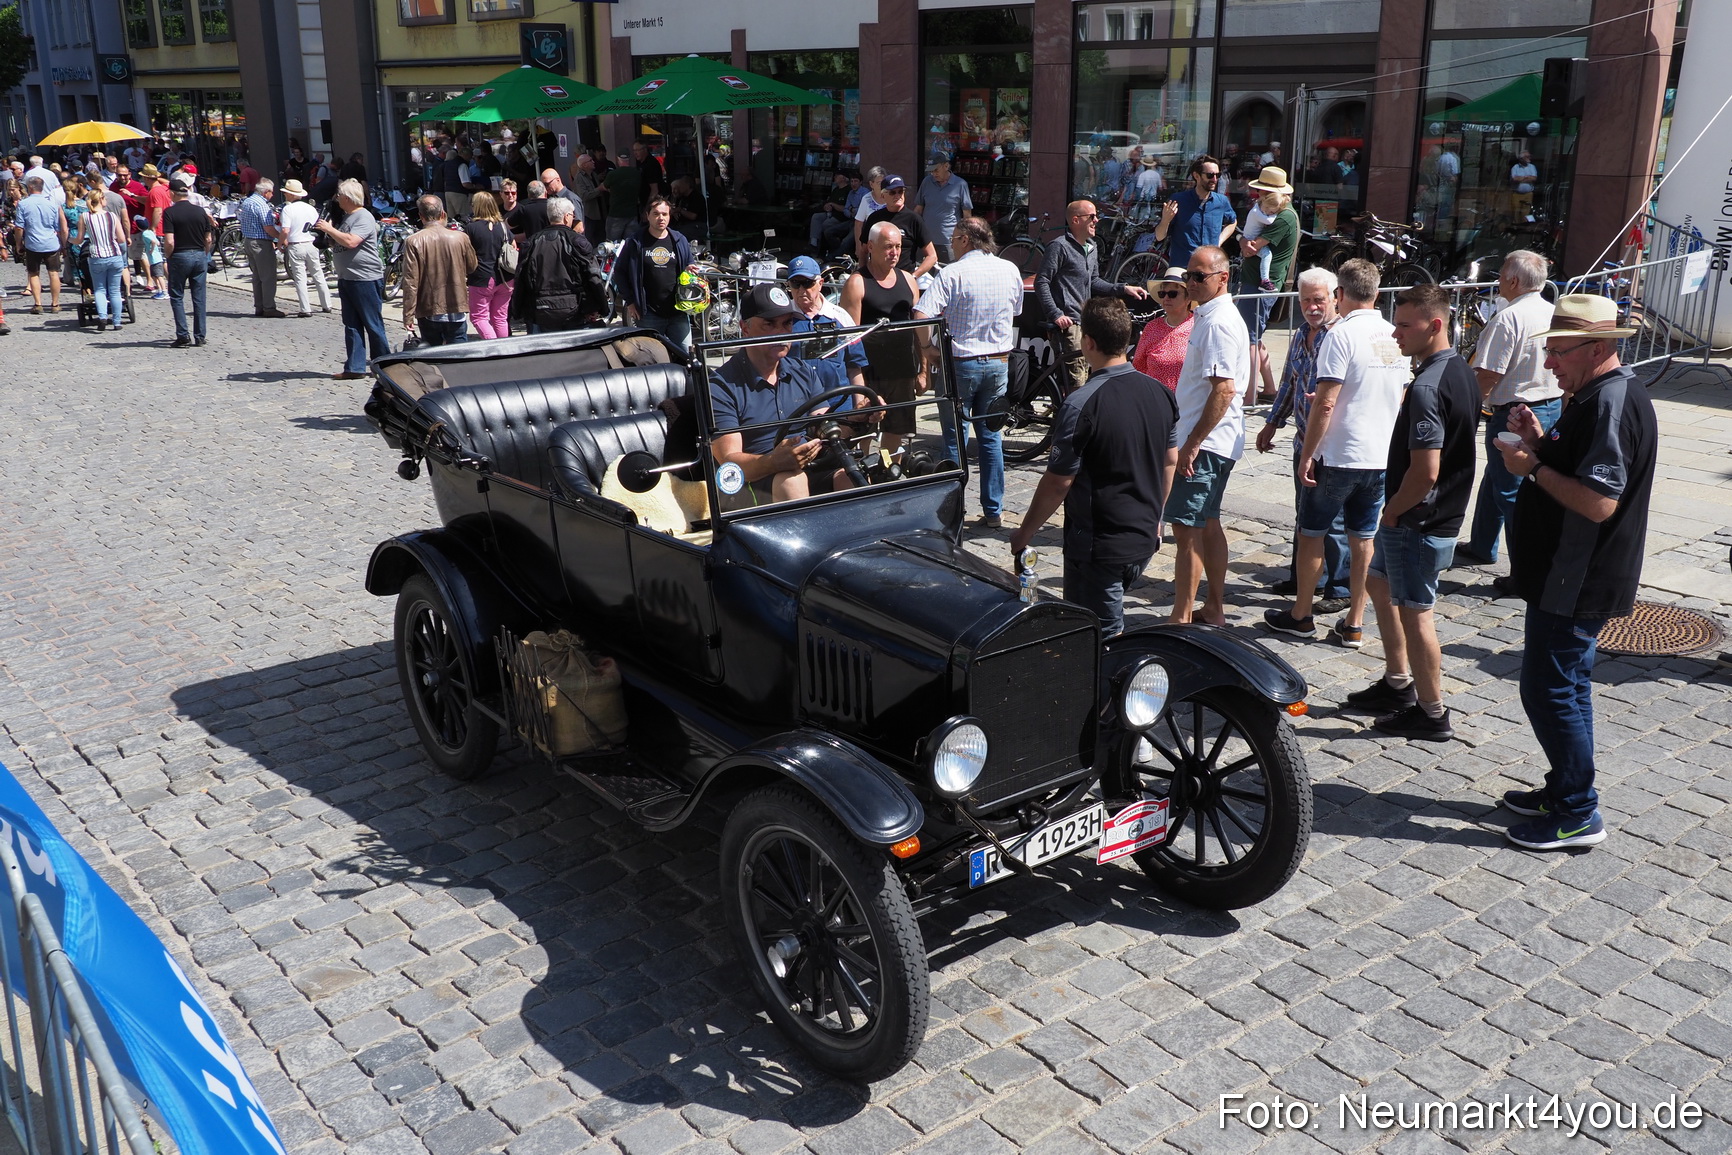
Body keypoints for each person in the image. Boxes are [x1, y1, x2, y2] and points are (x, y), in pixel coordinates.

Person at [1497, 295, 1656, 851]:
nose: (1549, 364)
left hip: (1578, 574)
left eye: (1559, 352)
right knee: (1565, 686)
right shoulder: (1591, 394)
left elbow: (1598, 503)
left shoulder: (1609, 401)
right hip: (1568, 571)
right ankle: (1566, 789)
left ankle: (1578, 812)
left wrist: (1532, 466)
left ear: (1596, 348)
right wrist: (1542, 444)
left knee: (1549, 691)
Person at [1344, 284, 1479, 741]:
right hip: (1425, 516)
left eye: (1404, 324)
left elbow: (1426, 471)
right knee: (1378, 583)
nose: (1395, 332)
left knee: (1415, 611)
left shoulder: (1427, 386)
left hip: (1418, 519)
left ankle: (1432, 711)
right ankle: (1399, 683)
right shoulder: (1458, 370)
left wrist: (1392, 511)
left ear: (1435, 325)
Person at [1010, 297, 1178, 638]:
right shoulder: (1161, 393)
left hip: (1099, 548)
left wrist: (1024, 534)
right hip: (1143, 538)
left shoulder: (1081, 403)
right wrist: (1156, 519)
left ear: (1088, 342)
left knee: (1098, 638)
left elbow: (1058, 482)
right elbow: (1169, 461)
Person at [1263, 258, 1408, 646]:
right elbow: (1398, 394)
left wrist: (1308, 453)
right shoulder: (1393, 334)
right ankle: (1355, 622)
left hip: (1338, 455)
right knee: (1363, 538)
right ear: (1376, 293)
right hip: (1378, 457)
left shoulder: (1340, 335)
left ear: (1339, 295)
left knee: (1312, 533)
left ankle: (1301, 615)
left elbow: (1325, 403)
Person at [914, 216, 1024, 528]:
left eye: (953, 238)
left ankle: (954, 511)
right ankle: (994, 511)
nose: (950, 244)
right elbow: (1016, 310)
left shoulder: (954, 273)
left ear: (965, 240)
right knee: (991, 438)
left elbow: (921, 313)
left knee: (954, 438)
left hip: (961, 364)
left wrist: (927, 349)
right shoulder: (1010, 269)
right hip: (997, 362)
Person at [1457, 250, 1562, 573]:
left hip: (1516, 414)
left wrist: (1467, 412)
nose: (1498, 280)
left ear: (1514, 280)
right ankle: (1482, 544)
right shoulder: (1551, 311)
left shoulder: (1509, 317)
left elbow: (1488, 374)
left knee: (1510, 490)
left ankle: (1525, 571)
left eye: (1501, 274)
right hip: (1548, 405)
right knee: (1497, 480)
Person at [710, 284, 861, 508]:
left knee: (853, 474)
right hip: (748, 484)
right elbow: (728, 465)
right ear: (745, 329)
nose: (781, 333)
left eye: (787, 323)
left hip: (805, 467)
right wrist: (773, 462)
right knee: (792, 479)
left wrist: (859, 420)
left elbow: (823, 424)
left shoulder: (802, 371)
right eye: (769, 324)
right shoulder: (722, 385)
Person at [1256, 267, 1349, 612]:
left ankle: (1339, 587)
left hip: (1330, 447)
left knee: (1333, 519)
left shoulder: (1341, 336)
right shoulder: (1300, 334)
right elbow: (1288, 383)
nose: (1311, 306)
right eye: (1305, 300)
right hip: (1301, 442)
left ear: (1335, 297)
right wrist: (1271, 423)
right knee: (1304, 513)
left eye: (1318, 300)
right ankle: (1306, 578)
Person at [1166, 245, 1247, 625]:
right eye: (1188, 276)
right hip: (1214, 440)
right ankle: (1213, 608)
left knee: (1187, 529)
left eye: (1199, 277)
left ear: (1222, 277)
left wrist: (1192, 443)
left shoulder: (1216, 320)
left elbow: (1224, 389)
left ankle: (1181, 617)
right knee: (1207, 524)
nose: (1190, 283)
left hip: (1207, 443)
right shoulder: (1211, 316)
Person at [1034, 200, 1150, 390]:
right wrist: (1055, 314)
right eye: (1092, 217)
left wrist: (1123, 288)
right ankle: (1069, 417)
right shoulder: (1059, 246)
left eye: (1097, 216)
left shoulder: (1092, 247)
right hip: (1068, 324)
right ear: (1076, 220)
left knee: (1088, 376)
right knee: (1076, 382)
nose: (1097, 220)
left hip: (1086, 321)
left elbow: (1094, 281)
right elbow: (1042, 282)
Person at [840, 221, 923, 456]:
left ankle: (887, 474)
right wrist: (857, 384)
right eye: (888, 247)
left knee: (896, 431)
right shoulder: (857, 283)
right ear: (870, 247)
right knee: (862, 433)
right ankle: (862, 478)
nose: (894, 252)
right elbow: (849, 338)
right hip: (869, 375)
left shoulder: (908, 279)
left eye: (898, 246)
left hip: (902, 372)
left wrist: (923, 369)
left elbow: (919, 329)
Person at [316, 178, 389, 380]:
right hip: (348, 277)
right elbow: (339, 243)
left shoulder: (363, 217)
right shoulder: (347, 217)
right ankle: (355, 367)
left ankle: (383, 366)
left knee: (372, 324)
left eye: (339, 195)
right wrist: (327, 236)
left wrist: (329, 229)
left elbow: (351, 241)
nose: (337, 199)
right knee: (351, 324)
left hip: (364, 278)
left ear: (347, 197)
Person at [1237, 168, 1300, 403]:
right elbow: (1246, 242)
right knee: (1256, 335)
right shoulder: (1276, 212)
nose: (1257, 193)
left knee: (1249, 339)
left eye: (1260, 189)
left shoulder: (1283, 217)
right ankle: (1270, 389)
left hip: (1261, 285)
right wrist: (1245, 241)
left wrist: (1245, 242)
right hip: (1258, 282)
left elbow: (1251, 246)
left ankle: (1250, 394)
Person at [512, 196, 606, 334]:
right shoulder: (578, 241)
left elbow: (521, 279)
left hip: (541, 310)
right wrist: (601, 306)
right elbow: (593, 276)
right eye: (573, 216)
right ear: (567, 216)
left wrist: (518, 310)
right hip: (575, 310)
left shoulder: (531, 243)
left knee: (547, 354)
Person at [613, 197, 695, 347]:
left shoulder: (679, 239)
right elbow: (619, 272)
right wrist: (630, 302)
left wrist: (689, 269)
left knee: (686, 357)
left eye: (665, 214)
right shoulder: (635, 242)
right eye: (656, 214)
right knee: (652, 361)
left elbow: (689, 264)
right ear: (647, 215)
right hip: (648, 313)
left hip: (678, 312)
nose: (661, 218)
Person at [399, 195, 476, 348]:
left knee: (433, 357)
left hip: (429, 308)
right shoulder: (461, 238)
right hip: (456, 305)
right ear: (442, 213)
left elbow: (411, 281)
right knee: (460, 354)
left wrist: (408, 315)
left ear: (421, 216)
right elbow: (472, 266)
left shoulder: (414, 241)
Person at [160, 175, 216, 347]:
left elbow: (169, 241)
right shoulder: (200, 211)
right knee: (199, 297)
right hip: (199, 255)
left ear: (173, 194)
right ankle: (200, 336)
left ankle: (183, 334)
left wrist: (168, 256)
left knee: (177, 295)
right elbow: (208, 239)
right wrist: (204, 254)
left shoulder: (170, 212)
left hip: (180, 256)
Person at [1156, 155, 1237, 272]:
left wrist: (1219, 241)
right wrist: (1165, 220)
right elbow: (1159, 236)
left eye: (1217, 175)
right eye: (1210, 175)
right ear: (1196, 176)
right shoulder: (1178, 200)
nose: (1214, 179)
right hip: (1183, 269)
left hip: (1210, 270)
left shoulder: (1222, 201)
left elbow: (1233, 222)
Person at [1131, 266, 1193, 390]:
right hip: (1154, 401)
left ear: (1188, 298)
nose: (1166, 298)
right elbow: (1138, 366)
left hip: (1187, 404)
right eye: (1162, 294)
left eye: (1172, 294)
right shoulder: (1152, 327)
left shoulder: (1199, 327)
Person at [862, 176, 937, 277]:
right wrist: (863, 275)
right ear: (883, 195)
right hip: (876, 278)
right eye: (893, 192)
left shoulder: (914, 219)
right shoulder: (874, 218)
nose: (898, 195)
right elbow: (864, 251)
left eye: (901, 191)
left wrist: (913, 277)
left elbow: (932, 256)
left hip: (903, 278)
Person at [463, 190, 513, 340]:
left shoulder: (472, 228)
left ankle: (493, 348)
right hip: (506, 277)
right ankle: (505, 349)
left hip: (482, 278)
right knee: (500, 318)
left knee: (479, 318)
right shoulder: (503, 227)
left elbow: (466, 254)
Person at [13, 177, 67, 313]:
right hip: (51, 242)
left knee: (33, 273)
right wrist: (62, 244)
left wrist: (18, 244)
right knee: (54, 273)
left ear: (30, 188)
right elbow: (57, 227)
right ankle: (55, 304)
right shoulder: (52, 204)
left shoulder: (23, 204)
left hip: (33, 243)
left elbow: (19, 227)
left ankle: (38, 303)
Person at [277, 179, 330, 317]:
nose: (285, 195)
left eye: (286, 193)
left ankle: (305, 308)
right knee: (318, 274)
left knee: (300, 277)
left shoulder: (288, 209)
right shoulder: (310, 208)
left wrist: (280, 243)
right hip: (311, 243)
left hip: (296, 245)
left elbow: (285, 230)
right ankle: (327, 304)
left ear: (290, 195)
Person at [80, 188, 128, 332]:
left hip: (97, 255)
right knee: (114, 290)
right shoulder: (112, 216)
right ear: (101, 199)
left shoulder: (85, 216)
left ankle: (102, 317)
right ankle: (117, 321)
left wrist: (70, 240)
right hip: (114, 254)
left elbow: (79, 239)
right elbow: (121, 238)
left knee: (100, 290)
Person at [238, 177, 286, 318]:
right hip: (260, 243)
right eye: (271, 192)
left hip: (249, 241)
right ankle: (269, 307)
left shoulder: (247, 201)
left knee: (257, 277)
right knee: (268, 277)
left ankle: (259, 306)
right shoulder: (262, 205)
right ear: (266, 192)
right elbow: (268, 228)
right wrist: (280, 239)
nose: (272, 195)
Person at [914, 158, 972, 263]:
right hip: (926, 241)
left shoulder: (960, 184)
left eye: (936, 170)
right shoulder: (927, 182)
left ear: (946, 166)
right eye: (931, 171)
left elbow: (967, 215)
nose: (933, 174)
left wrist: (965, 238)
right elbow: (918, 210)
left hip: (949, 241)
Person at [601, 157, 641, 242]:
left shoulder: (613, 174)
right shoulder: (637, 173)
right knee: (630, 243)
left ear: (618, 160)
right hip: (632, 213)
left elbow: (604, 186)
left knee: (611, 244)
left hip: (616, 214)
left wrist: (611, 190)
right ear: (628, 160)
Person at [851, 166, 887, 258]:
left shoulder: (891, 196)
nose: (882, 186)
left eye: (884, 182)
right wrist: (859, 247)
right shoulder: (866, 199)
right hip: (872, 243)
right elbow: (858, 224)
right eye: (879, 183)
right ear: (871, 184)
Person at [570, 153, 604, 239]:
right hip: (589, 215)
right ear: (584, 165)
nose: (593, 162)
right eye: (590, 161)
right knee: (590, 239)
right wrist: (599, 189)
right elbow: (584, 196)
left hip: (600, 213)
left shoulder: (594, 175)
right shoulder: (579, 178)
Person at [631, 140, 665, 209]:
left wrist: (647, 208)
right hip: (643, 200)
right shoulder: (641, 163)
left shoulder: (650, 164)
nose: (635, 153)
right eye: (634, 150)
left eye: (638, 150)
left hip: (651, 204)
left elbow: (654, 190)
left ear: (645, 150)